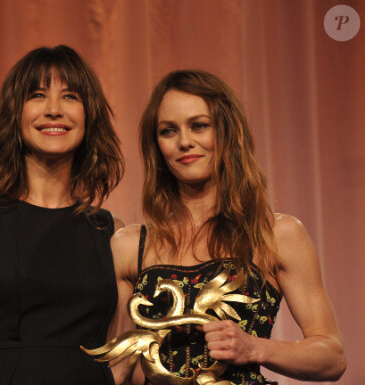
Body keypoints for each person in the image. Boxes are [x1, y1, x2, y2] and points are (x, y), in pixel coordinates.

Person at [107, 70, 346, 385]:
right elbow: (118, 366)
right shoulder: (128, 245)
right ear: (156, 147)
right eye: (168, 131)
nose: (184, 142)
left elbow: (331, 357)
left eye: (199, 126)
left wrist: (254, 347)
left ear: (228, 132)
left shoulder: (278, 235)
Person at [0, 45, 125, 385]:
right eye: (37, 95)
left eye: (69, 97)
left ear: (88, 115)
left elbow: (118, 358)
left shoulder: (111, 232)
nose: (53, 110)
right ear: (14, 114)